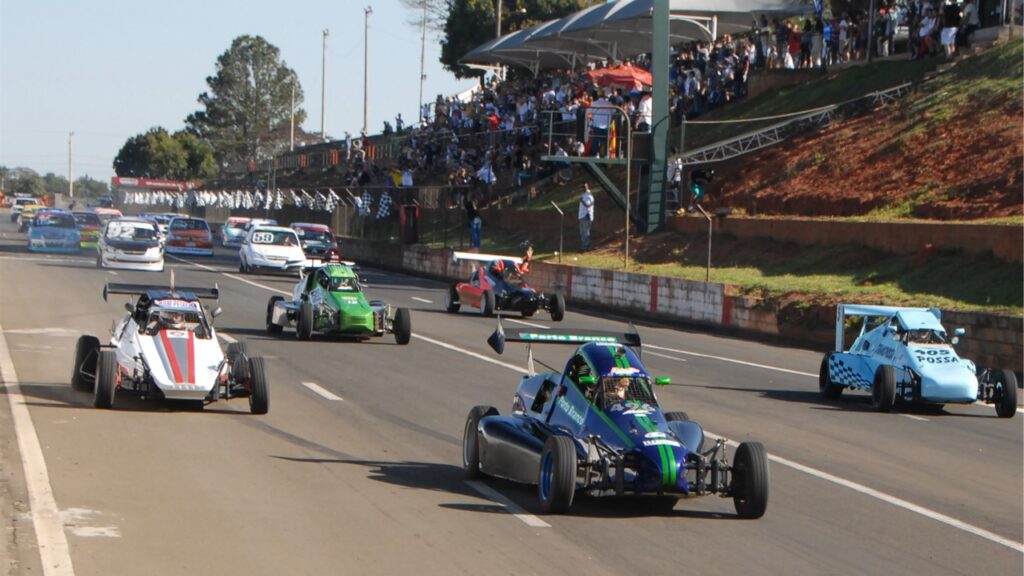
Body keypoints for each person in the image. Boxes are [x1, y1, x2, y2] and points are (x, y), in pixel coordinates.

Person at [578, 183, 595, 252]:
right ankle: (586, 247)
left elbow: (588, 205)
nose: (583, 188)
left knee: (585, 233)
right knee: (582, 233)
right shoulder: (584, 195)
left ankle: (584, 248)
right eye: (582, 187)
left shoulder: (589, 196)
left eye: (584, 187)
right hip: (582, 216)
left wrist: (581, 201)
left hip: (586, 216)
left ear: (587, 187)